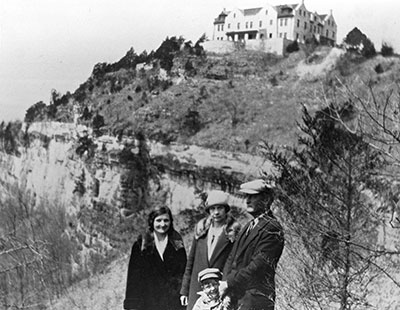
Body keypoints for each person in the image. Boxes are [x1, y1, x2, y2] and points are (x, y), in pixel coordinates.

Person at [221, 179, 284, 310]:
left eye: (253, 196)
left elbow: (258, 266)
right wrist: (226, 286)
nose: (247, 200)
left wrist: (229, 283)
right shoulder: (248, 226)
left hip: (255, 299)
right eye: (246, 196)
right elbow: (232, 258)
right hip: (237, 297)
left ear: (266, 199)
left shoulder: (272, 228)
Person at [180, 190, 241, 310]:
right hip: (197, 288)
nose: (216, 212)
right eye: (212, 209)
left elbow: (234, 262)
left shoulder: (232, 231)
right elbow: (191, 261)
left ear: (226, 209)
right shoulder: (201, 229)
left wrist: (225, 286)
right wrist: (185, 290)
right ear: (208, 211)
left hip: (218, 289)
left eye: (220, 208)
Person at [123, 206, 187, 310]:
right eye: (158, 220)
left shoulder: (177, 242)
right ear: (152, 221)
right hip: (148, 301)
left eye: (166, 220)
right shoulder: (141, 244)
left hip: (172, 301)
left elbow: (184, 271)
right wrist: (132, 304)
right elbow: (133, 277)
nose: (162, 224)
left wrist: (184, 293)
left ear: (171, 222)